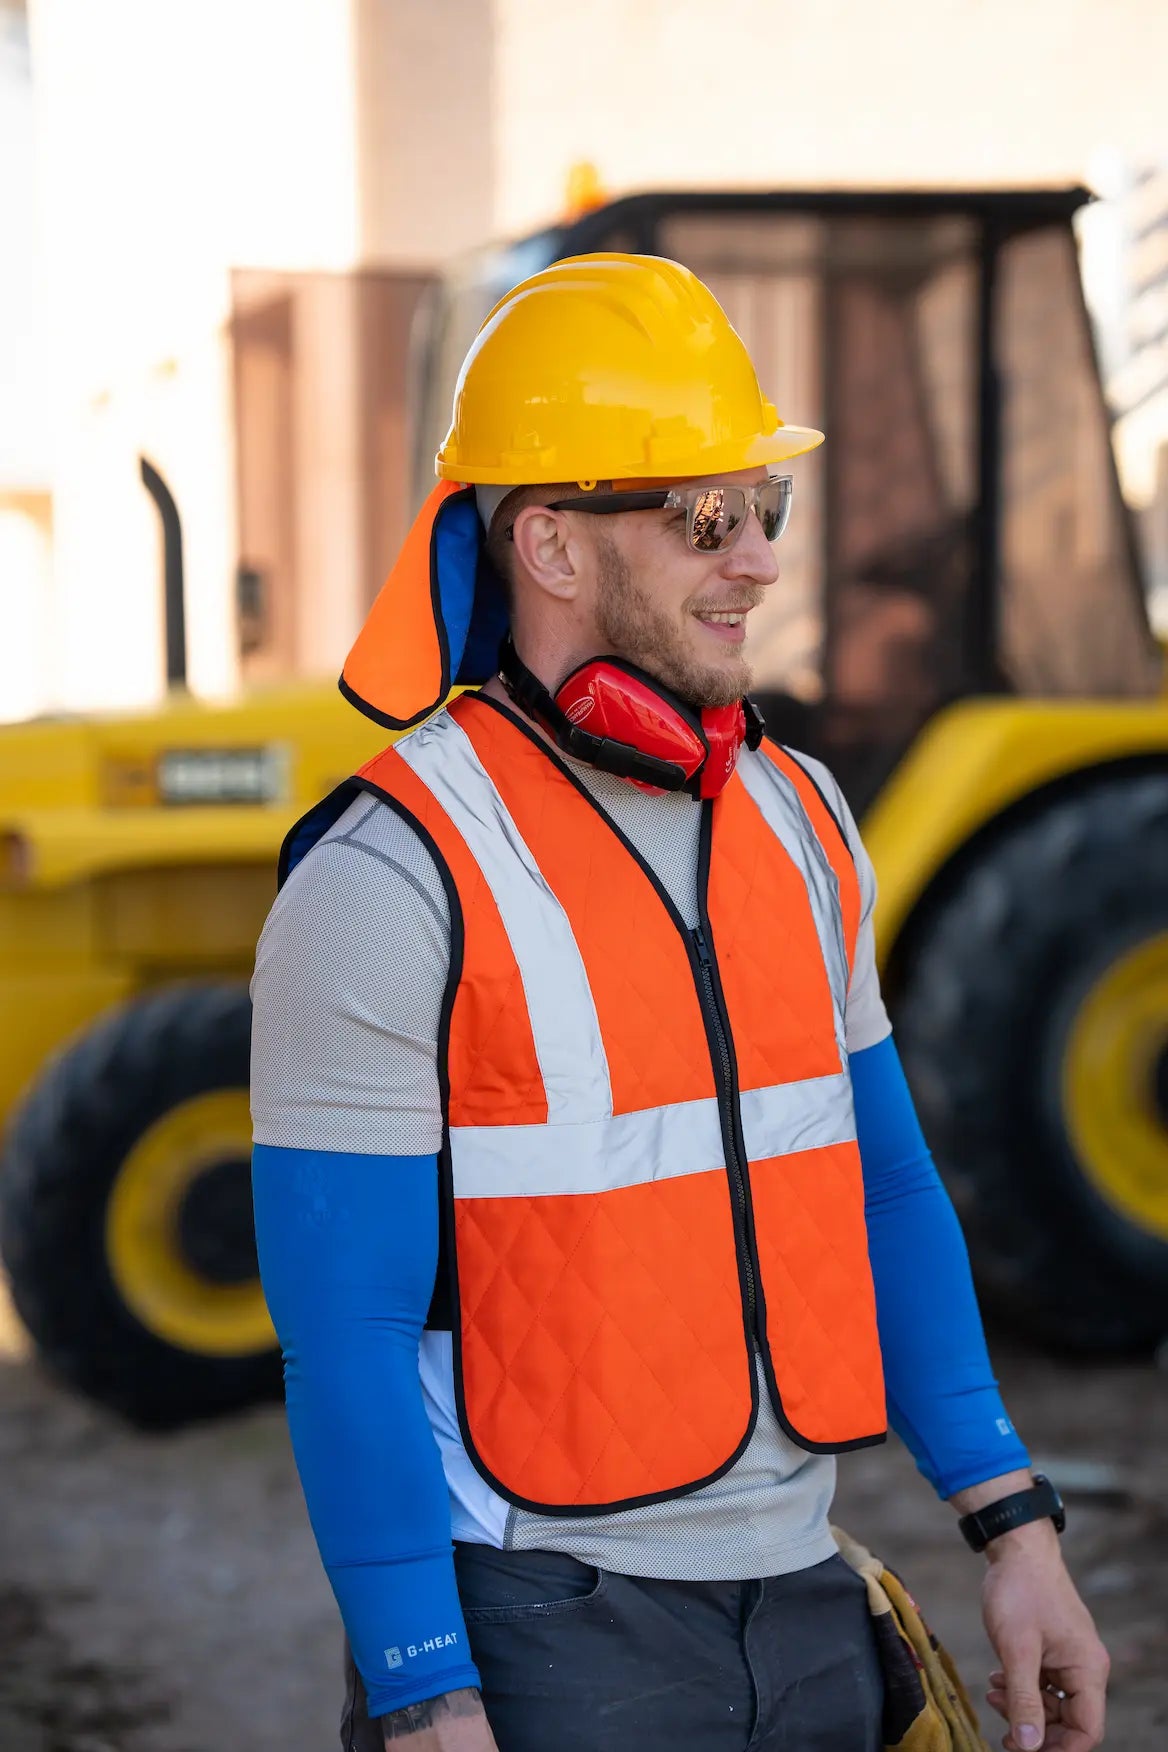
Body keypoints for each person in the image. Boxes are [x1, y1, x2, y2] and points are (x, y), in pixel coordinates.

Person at [250, 254, 1109, 1752]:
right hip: (545, 1632)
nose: (763, 561)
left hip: (807, 1600)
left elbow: (885, 1191)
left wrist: (1012, 1523)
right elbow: (348, 1330)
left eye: (767, 507)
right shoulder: (388, 882)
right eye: (707, 516)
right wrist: (420, 1689)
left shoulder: (802, 818)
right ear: (554, 548)